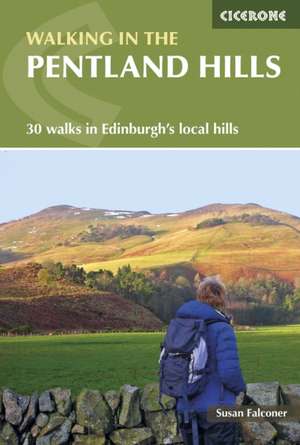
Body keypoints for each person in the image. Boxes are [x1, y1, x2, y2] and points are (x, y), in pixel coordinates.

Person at [176, 276, 246, 445]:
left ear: (199, 297)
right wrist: (241, 389)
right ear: (221, 298)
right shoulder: (223, 328)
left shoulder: (181, 327)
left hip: (186, 409)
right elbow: (229, 372)